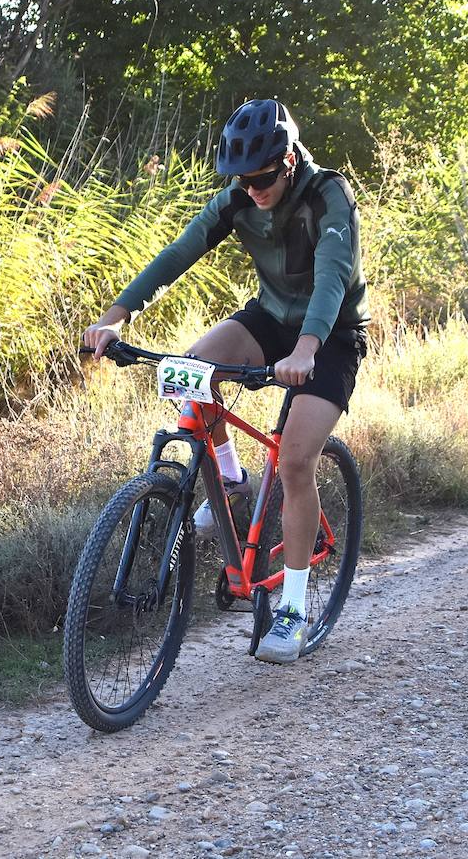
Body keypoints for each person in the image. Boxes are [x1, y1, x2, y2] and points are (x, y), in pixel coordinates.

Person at [81, 99, 368, 664]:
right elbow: (178, 254)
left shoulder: (328, 194)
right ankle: (231, 478)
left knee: (295, 461)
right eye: (242, 179)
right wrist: (116, 316)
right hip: (272, 317)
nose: (251, 189)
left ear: (289, 162)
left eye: (262, 178)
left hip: (331, 334)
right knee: (192, 372)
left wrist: (306, 349)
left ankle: (293, 610)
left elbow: (333, 276)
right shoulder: (239, 197)